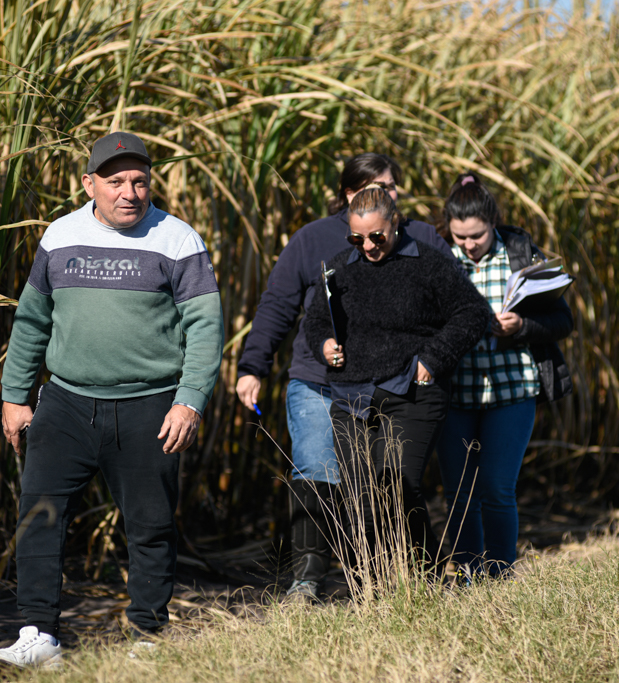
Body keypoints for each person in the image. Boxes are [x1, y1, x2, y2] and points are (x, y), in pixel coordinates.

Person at [0, 132, 224, 669]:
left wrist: (189, 402)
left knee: (150, 524)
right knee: (39, 517)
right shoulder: (60, 235)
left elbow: (206, 327)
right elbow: (31, 321)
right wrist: (15, 397)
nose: (129, 192)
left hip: (149, 406)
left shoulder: (177, 239)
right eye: (115, 181)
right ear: (90, 183)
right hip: (65, 404)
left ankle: (147, 638)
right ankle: (38, 638)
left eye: (139, 180)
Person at [235, 154, 453, 602]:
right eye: (372, 186)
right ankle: (308, 580)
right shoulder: (312, 240)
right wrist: (253, 366)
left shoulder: (424, 237)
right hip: (319, 381)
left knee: (388, 480)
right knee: (317, 468)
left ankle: (409, 575)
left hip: (395, 387)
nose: (384, 194)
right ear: (347, 194)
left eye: (391, 186)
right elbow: (278, 304)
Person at [303, 184, 490, 586]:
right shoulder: (338, 269)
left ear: (396, 224)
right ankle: (373, 587)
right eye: (357, 237)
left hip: (411, 392)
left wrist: (434, 357)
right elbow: (315, 321)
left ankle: (429, 576)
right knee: (359, 497)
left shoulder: (429, 265)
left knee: (396, 485)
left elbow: (472, 313)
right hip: (351, 396)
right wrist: (325, 345)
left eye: (376, 236)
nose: (367, 246)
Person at [435, 172, 573, 581]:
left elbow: (562, 320)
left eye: (476, 235)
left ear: (492, 223)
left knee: (496, 487)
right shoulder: (441, 260)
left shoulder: (520, 255)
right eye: (460, 237)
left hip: (512, 390)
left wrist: (522, 328)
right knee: (459, 492)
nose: (468, 245)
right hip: (457, 395)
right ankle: (468, 572)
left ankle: (500, 574)